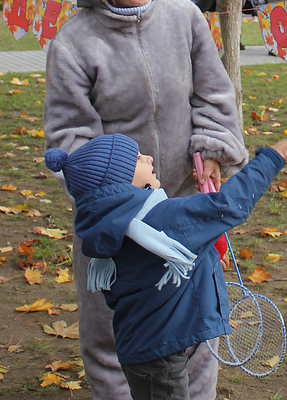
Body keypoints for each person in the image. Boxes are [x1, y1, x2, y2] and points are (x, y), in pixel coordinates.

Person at [42, 0, 249, 397]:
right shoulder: (73, 43)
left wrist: (213, 147)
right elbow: (70, 141)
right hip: (117, 232)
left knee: (198, 331)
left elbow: (214, 95)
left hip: (184, 215)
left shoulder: (185, 16)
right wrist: (124, 202)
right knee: (113, 338)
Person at [43, 133, 287, 400]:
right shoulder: (161, 220)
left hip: (141, 350)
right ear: (119, 182)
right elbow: (230, 204)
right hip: (159, 360)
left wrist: (206, 255)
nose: (148, 157)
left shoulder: (115, 226)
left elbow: (156, 269)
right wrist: (271, 158)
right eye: (137, 158)